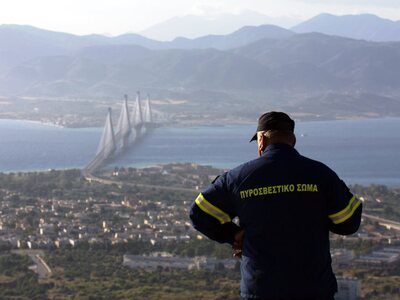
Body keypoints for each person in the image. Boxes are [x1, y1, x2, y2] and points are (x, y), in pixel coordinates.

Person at [189, 111, 362, 300]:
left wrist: (232, 234)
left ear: (261, 140)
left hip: (260, 289)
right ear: (292, 140)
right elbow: (349, 223)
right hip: (313, 288)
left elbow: (199, 213)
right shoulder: (321, 175)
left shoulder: (238, 178)